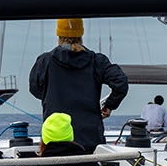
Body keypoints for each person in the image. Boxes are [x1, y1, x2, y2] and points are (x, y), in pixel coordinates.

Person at [27, 18, 128, 153]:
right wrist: (109, 105)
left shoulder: (45, 61)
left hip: (55, 141)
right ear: (81, 34)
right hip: (90, 141)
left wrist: (52, 96)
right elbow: (121, 83)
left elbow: (34, 89)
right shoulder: (97, 61)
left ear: (59, 35)